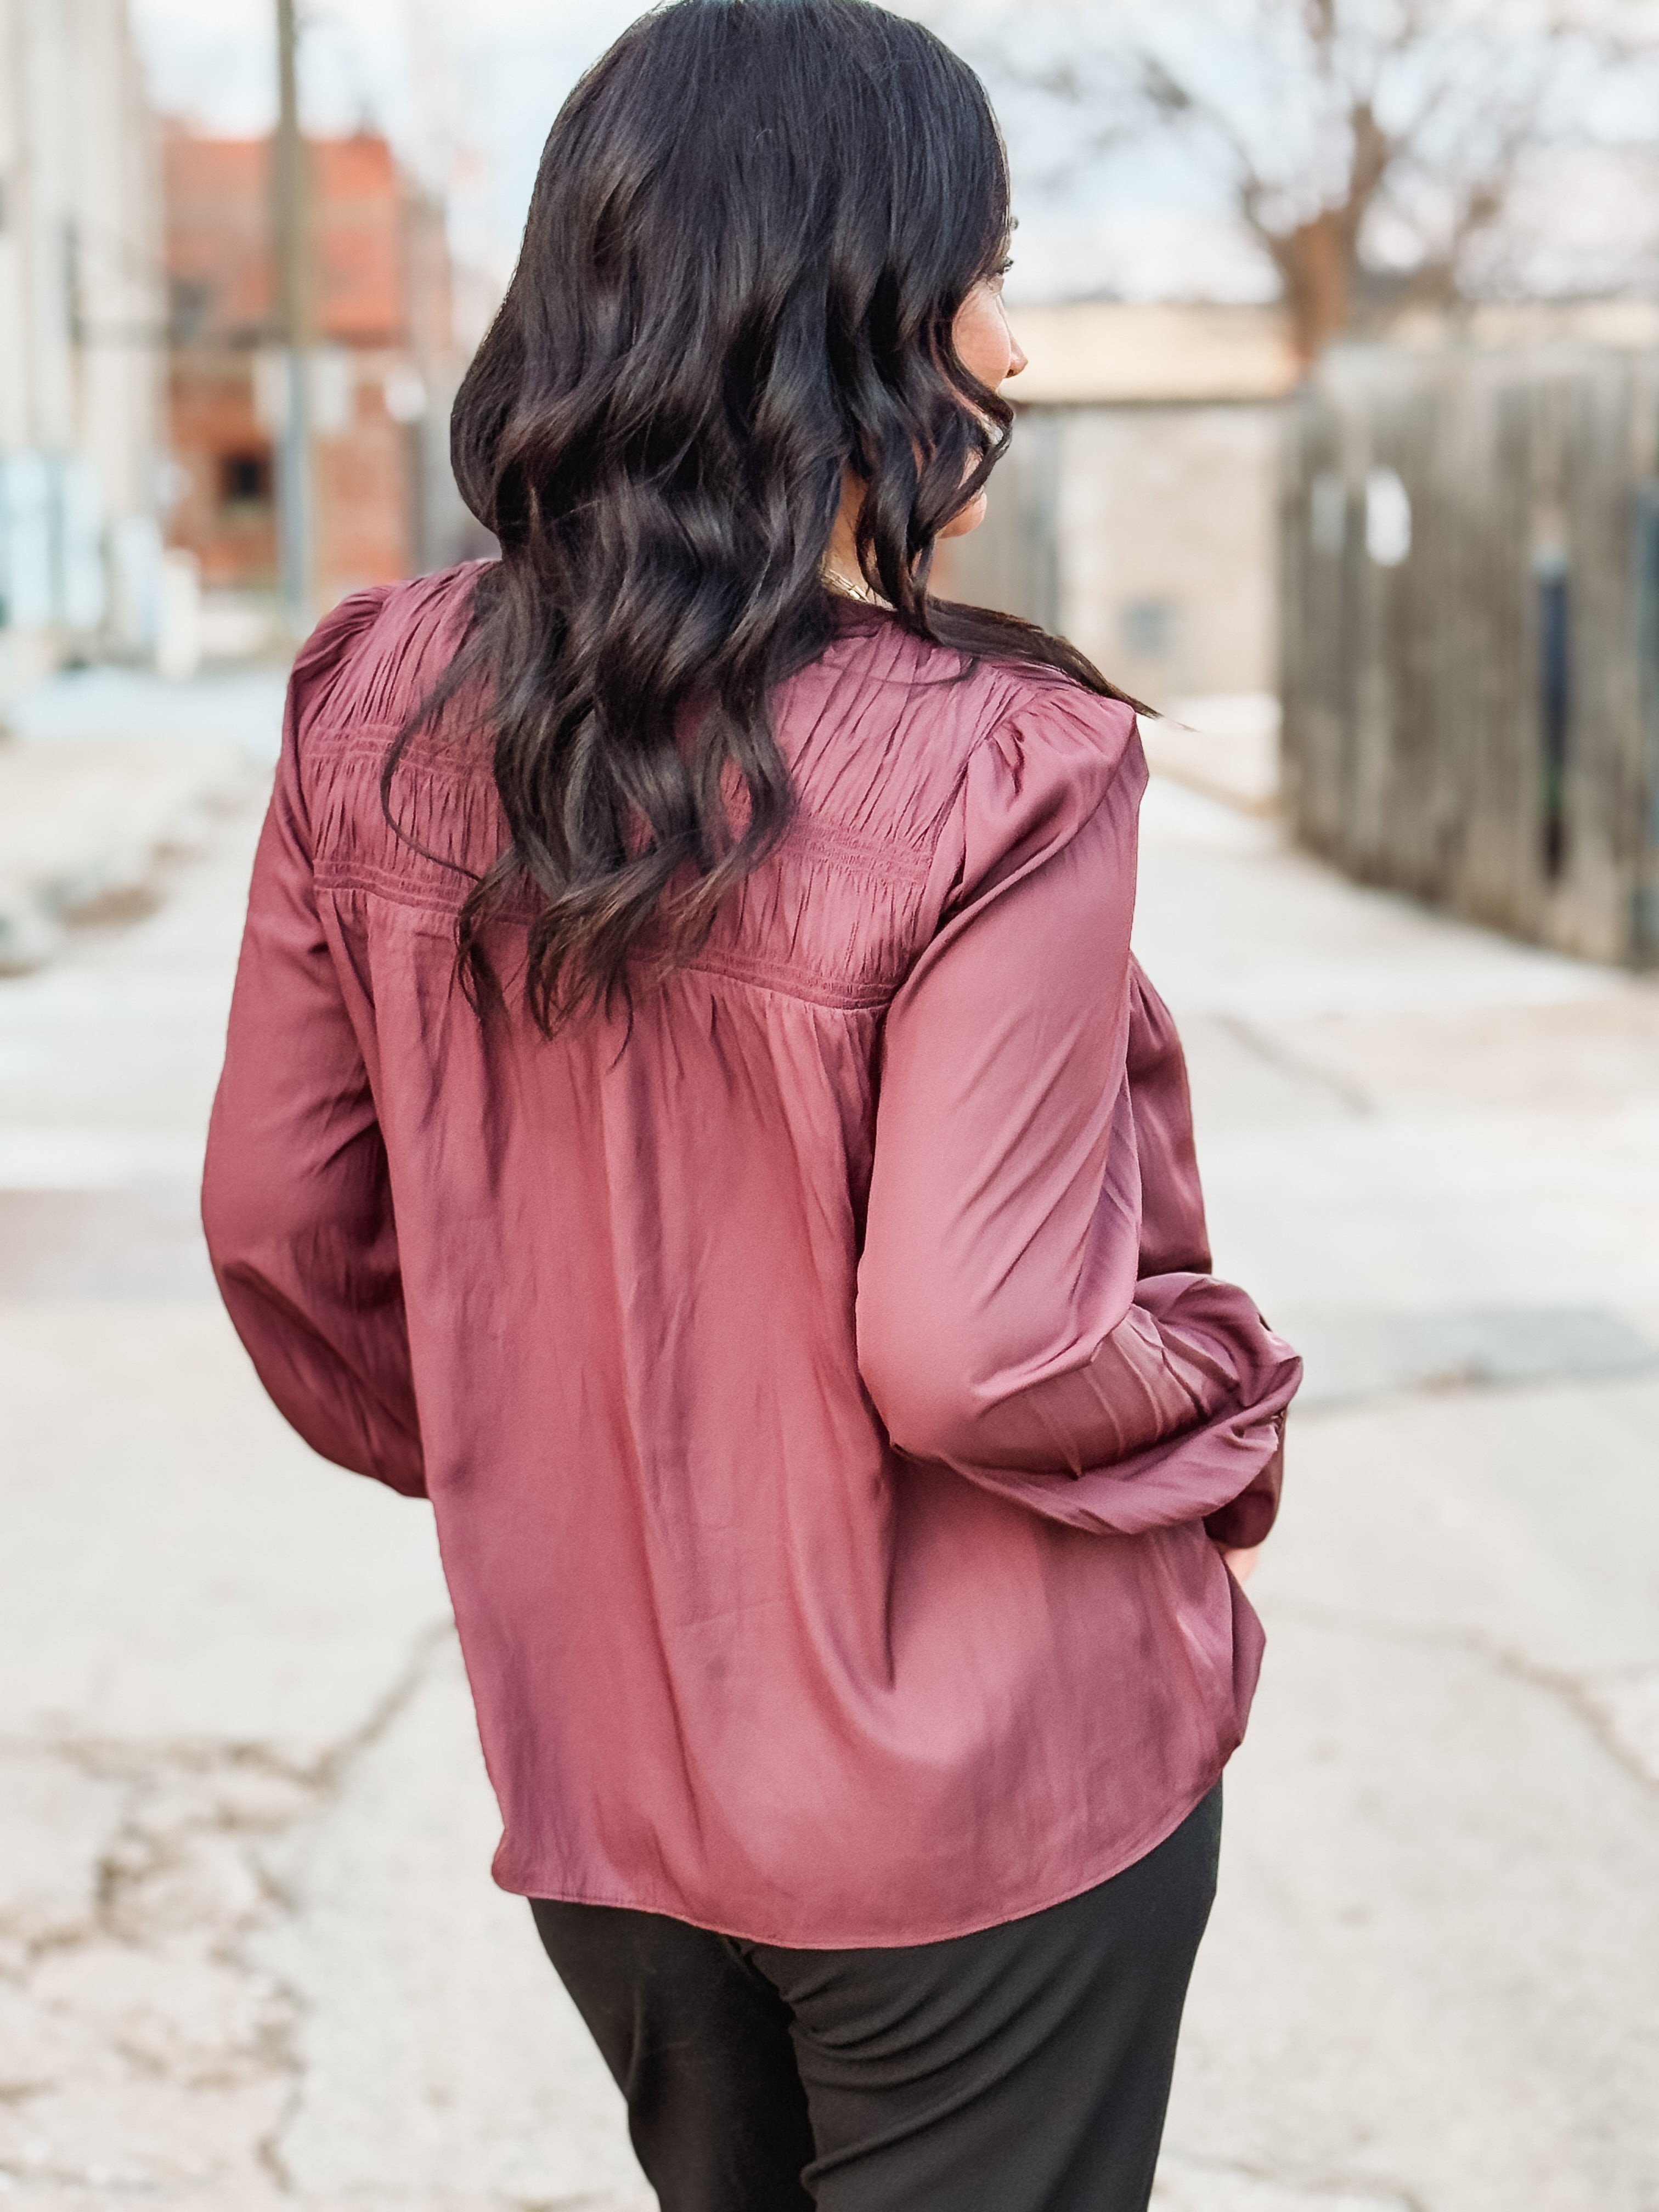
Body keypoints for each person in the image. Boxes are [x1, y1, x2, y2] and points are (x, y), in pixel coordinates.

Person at [201, 3, 1301, 2205]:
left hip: (609, 1781)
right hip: (984, 1813)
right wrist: (1224, 1375)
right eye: (991, 261)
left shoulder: (364, 710)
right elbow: (987, 1345)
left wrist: (562, 1457)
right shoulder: (1005, 771)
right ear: (866, 305)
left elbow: (275, 1230)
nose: (1019, 331)